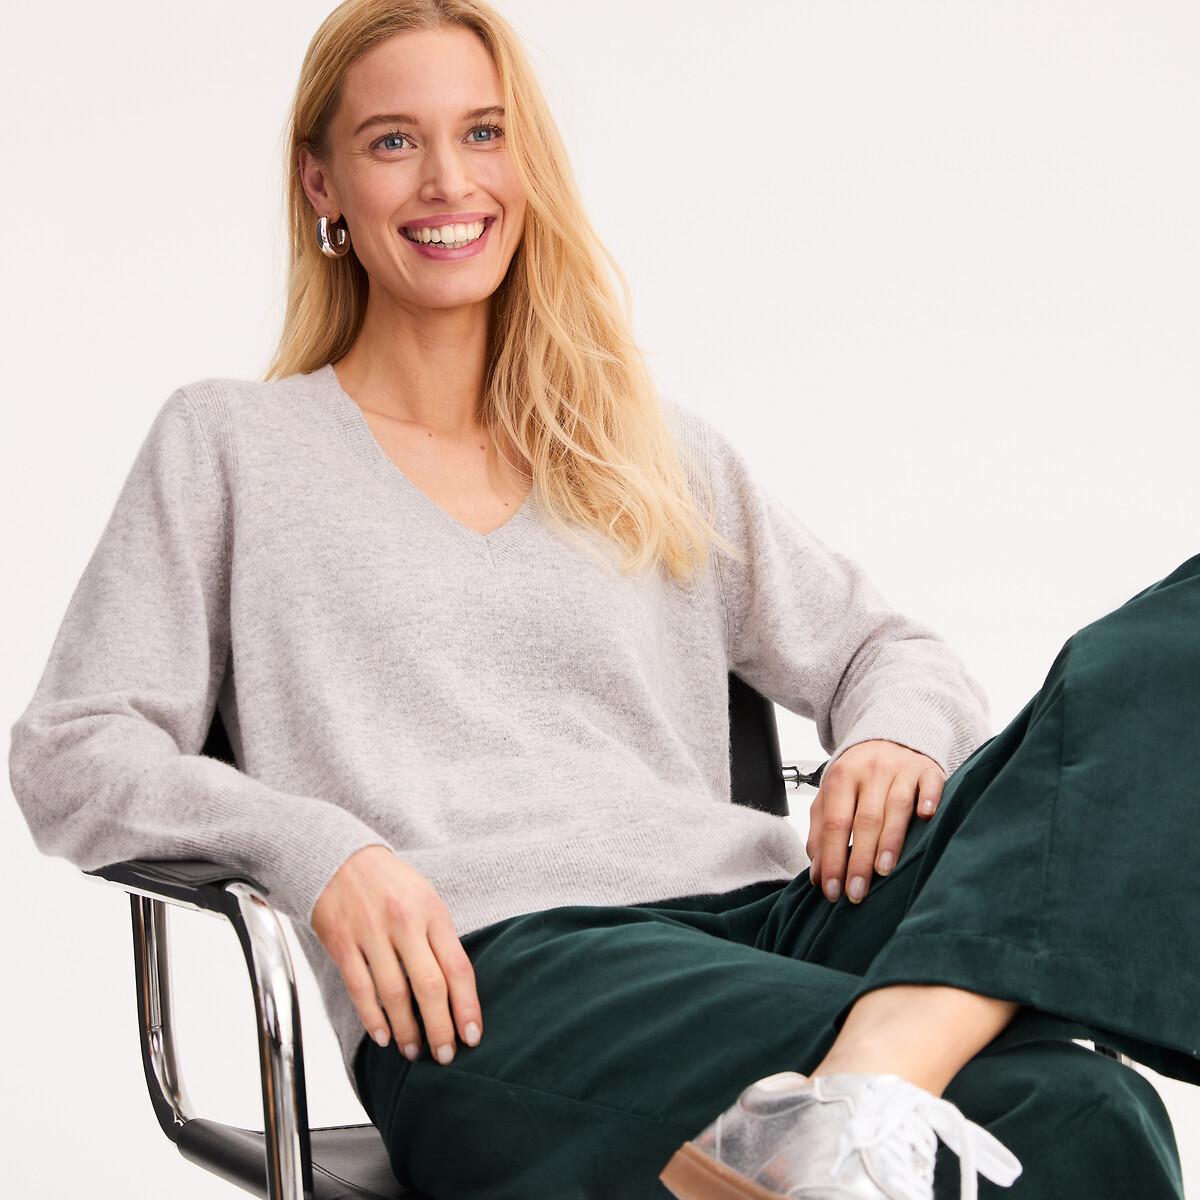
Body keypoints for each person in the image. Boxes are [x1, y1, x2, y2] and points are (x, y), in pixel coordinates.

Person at [8, 2, 1195, 1198]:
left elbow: (887, 651)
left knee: (1175, 643)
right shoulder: (233, 446)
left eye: (483, 133)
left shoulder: (647, 453)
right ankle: (848, 1103)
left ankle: (865, 1079)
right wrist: (318, 848)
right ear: (322, 182)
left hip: (776, 919)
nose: (447, 180)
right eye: (392, 141)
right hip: (501, 976)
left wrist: (894, 734)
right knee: (1076, 1113)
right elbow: (72, 747)